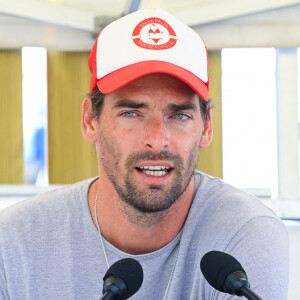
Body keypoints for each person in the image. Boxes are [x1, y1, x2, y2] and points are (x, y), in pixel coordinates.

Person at [0, 8, 289, 300]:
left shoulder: (244, 233)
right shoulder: (15, 244)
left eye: (179, 116)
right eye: (132, 113)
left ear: (206, 126)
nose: (157, 140)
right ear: (90, 120)